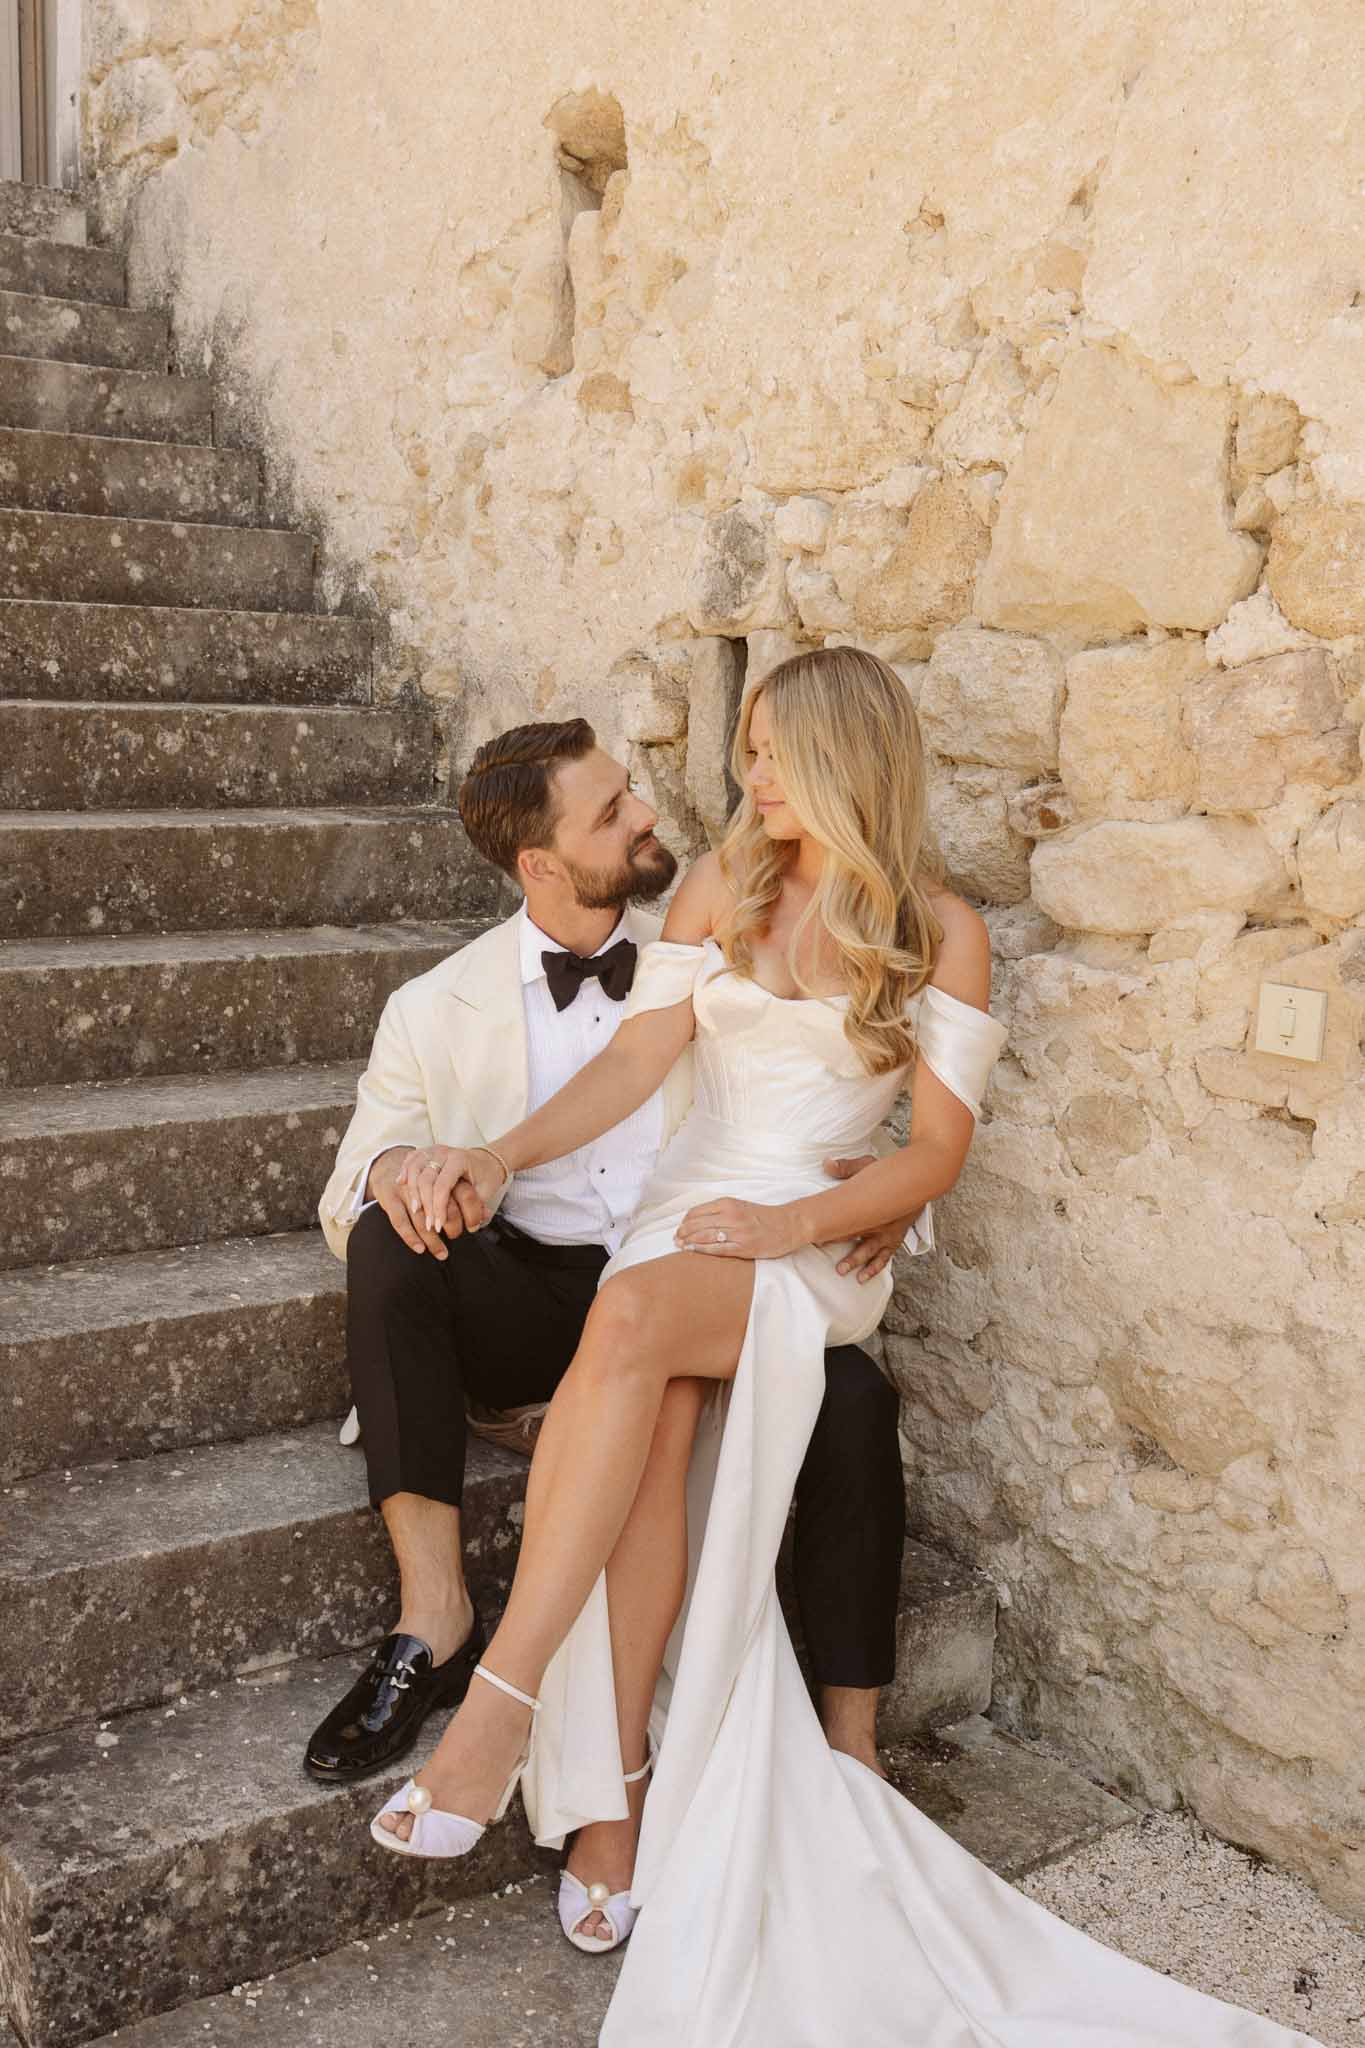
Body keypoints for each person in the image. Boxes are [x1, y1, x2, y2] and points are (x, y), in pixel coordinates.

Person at [367, 647, 1317, 2047]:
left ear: (842, 760)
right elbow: (636, 1068)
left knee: (627, 1326)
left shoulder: (944, 930)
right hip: (691, 1203)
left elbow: (931, 1155)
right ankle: (613, 1794)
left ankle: (504, 1717)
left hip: (809, 1234)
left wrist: (797, 1219)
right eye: (742, 749)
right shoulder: (719, 888)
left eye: (768, 753)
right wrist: (495, 1157)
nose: (745, 779)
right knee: (655, 1420)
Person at [312, 716, 919, 1937]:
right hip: (538, 1296)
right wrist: (408, 1172)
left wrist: (868, 1200)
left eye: (630, 793)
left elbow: (814, 1096)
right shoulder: (435, 1007)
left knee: (860, 1406)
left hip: (698, 1264)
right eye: (611, 811)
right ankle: (432, 1615)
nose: (647, 816)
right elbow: (346, 1187)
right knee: (388, 1238)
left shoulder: (709, 933)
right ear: (539, 863)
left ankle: (850, 1743)